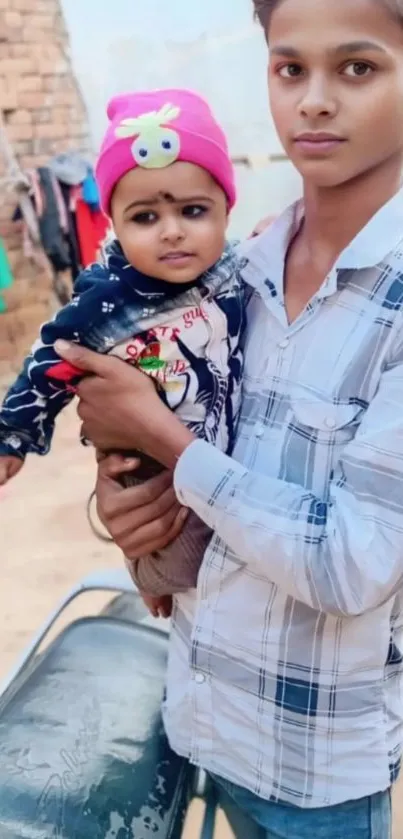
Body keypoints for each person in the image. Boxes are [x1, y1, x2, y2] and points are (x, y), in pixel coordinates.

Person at [36, 0, 403, 835]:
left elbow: (349, 564)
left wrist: (166, 439)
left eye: (357, 67)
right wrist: (129, 505)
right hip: (203, 715)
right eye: (288, 68)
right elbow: (168, 441)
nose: (312, 99)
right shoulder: (230, 273)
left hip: (314, 773)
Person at [0, 89, 245, 618]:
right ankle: (154, 576)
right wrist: (12, 436)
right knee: (176, 566)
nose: (173, 231)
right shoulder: (108, 301)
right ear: (113, 220)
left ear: (228, 207)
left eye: (194, 210)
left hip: (228, 461)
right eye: (145, 218)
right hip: (156, 473)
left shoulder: (238, 272)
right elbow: (50, 363)